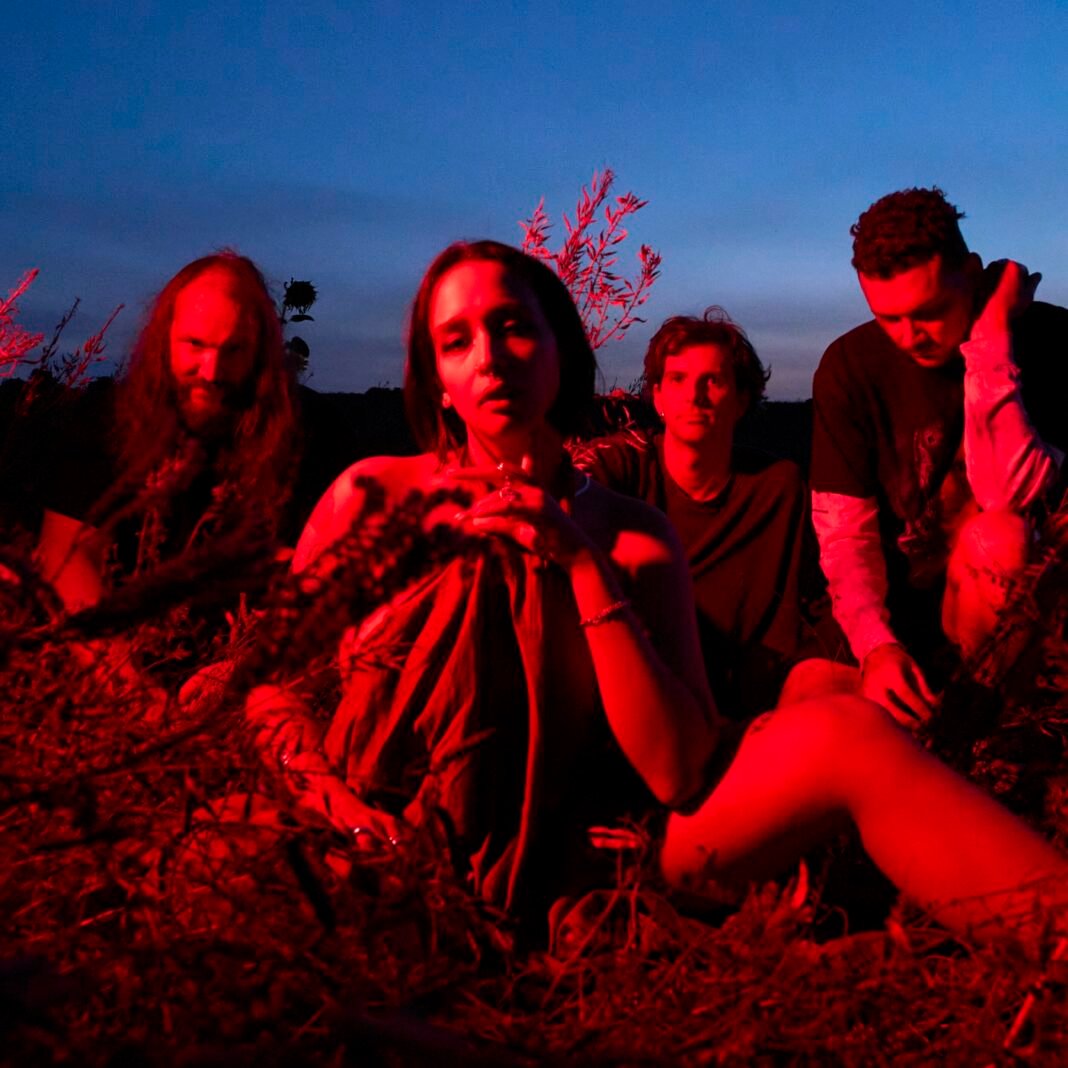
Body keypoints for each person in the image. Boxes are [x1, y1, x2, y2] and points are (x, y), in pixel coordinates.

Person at [249, 240, 1068, 948]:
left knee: (848, 729)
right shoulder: (373, 497)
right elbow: (268, 693)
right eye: (457, 341)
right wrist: (340, 810)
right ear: (437, 382)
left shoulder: (629, 532)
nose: (490, 357)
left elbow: (680, 769)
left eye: (512, 327)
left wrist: (578, 564)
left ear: (558, 350)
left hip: (606, 836)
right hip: (389, 831)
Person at [810, 188, 1068, 727]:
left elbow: (1009, 493)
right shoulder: (849, 368)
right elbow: (844, 535)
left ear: (971, 274)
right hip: (901, 630)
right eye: (887, 318)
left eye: (929, 312)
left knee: (998, 536)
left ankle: (988, 727)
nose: (910, 336)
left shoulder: (1050, 340)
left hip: (1027, 614)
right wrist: (876, 647)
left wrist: (990, 335)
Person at [574, 309, 838, 720]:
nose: (694, 397)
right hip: (647, 697)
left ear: (742, 398)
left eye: (712, 381)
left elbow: (814, 597)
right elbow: (569, 494)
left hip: (760, 698)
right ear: (657, 397)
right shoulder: (623, 470)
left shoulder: (776, 487)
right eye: (678, 380)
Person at [35, 252, 300, 615]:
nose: (211, 371)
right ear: (165, 338)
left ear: (260, 351)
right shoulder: (105, 417)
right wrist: (114, 663)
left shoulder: (301, 433)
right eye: (195, 345)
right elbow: (65, 555)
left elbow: (314, 571)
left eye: (234, 349)